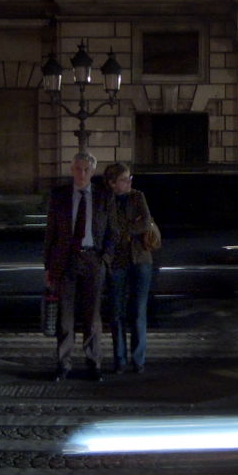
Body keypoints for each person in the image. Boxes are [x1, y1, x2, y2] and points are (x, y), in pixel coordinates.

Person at [44, 151, 112, 381]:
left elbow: (113, 231)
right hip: (66, 260)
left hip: (93, 259)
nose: (81, 174)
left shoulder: (103, 197)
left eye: (86, 169)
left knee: (92, 316)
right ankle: (63, 364)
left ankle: (94, 363)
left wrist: (105, 258)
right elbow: (50, 233)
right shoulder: (60, 196)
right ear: (72, 170)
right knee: (65, 316)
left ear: (92, 171)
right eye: (77, 169)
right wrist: (48, 267)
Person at [102, 162, 155, 373]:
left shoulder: (137, 196)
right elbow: (109, 228)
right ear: (112, 183)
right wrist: (129, 228)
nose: (129, 182)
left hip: (141, 259)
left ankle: (138, 359)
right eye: (125, 179)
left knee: (138, 311)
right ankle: (119, 359)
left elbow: (146, 223)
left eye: (130, 178)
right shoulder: (106, 200)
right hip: (117, 261)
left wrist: (124, 231)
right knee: (116, 312)